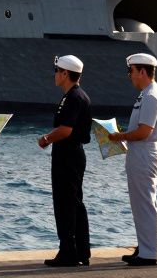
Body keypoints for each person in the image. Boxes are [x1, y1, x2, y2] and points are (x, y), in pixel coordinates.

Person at [108, 52, 157, 266]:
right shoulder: (147, 94)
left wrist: (120, 136)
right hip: (140, 151)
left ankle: (149, 253)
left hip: (145, 151)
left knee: (145, 204)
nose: (130, 76)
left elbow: (144, 131)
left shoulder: (151, 97)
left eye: (131, 71)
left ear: (142, 71)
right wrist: (125, 135)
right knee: (141, 203)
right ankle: (145, 247)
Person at [37, 55, 92, 267]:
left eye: (57, 71)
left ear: (65, 74)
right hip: (71, 154)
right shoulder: (76, 96)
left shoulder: (73, 98)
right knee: (75, 202)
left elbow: (66, 130)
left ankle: (68, 251)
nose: (55, 75)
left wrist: (46, 139)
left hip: (68, 155)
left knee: (65, 203)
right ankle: (80, 251)